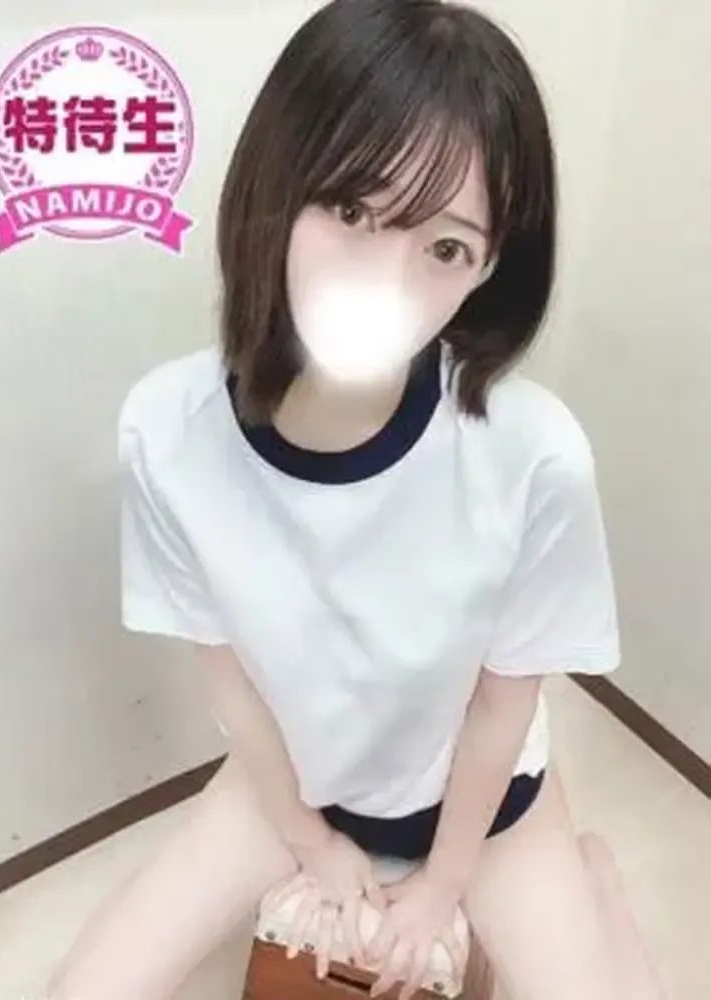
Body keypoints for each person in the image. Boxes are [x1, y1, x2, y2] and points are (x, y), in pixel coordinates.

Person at [48, 2, 667, 999]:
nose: (386, 279)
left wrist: (443, 886)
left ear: (488, 270)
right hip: (296, 785)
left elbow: (502, 705)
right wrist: (310, 841)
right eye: (350, 210)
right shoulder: (167, 430)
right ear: (279, 186)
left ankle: (591, 880)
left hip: (487, 812)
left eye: (446, 248)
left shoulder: (533, 454)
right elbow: (231, 685)